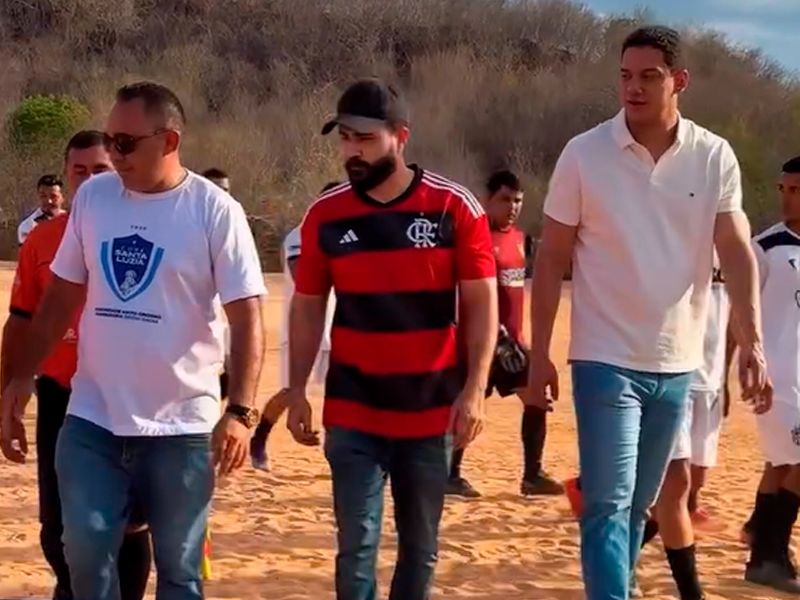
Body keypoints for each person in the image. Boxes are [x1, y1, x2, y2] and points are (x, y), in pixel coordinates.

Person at [527, 26, 769, 600]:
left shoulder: (713, 155)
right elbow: (552, 257)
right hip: (604, 358)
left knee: (641, 504)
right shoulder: (584, 153)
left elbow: (736, 250)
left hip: (677, 362)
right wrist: (539, 354)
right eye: (625, 76)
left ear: (679, 81)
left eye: (649, 76)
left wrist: (752, 340)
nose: (633, 88)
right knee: (608, 502)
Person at [0, 81, 267, 600]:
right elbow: (59, 298)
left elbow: (248, 316)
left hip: (182, 428)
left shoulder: (215, 212)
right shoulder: (94, 199)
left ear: (169, 141)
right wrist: (20, 377)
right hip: (92, 419)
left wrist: (240, 411)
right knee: (82, 553)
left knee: (180, 572)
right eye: (110, 140)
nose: (114, 154)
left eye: (125, 143)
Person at [286, 78, 498, 600]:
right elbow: (307, 306)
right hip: (353, 410)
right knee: (355, 549)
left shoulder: (453, 207)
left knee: (419, 549)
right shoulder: (325, 215)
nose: (351, 151)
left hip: (429, 411)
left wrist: (474, 389)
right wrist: (296, 389)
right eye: (345, 139)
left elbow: (480, 304)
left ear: (400, 137)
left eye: (364, 138)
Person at [0, 130, 152, 600]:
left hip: (128, 395)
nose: (89, 181)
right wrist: (9, 390)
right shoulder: (42, 239)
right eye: (79, 171)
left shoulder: (147, 229)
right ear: (66, 176)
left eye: (100, 170)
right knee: (57, 529)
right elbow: (21, 319)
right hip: (61, 397)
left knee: (129, 525)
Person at [446, 169, 563, 498]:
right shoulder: (472, 237)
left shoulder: (520, 239)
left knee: (536, 396)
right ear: (487, 200)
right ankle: (449, 475)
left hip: (512, 344)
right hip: (479, 343)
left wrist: (521, 340)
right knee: (466, 403)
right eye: (505, 200)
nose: (512, 207)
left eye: (517, 201)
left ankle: (533, 476)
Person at [734, 155, 800, 593]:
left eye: (796, 190)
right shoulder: (765, 247)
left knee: (780, 464)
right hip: (776, 378)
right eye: (783, 189)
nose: (786, 198)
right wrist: (737, 362)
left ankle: (763, 544)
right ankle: (769, 554)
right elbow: (739, 311)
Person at [651, 253, 730, 600]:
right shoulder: (676, 239)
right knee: (676, 484)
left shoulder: (729, 245)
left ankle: (620, 553)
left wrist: (726, 375)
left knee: (691, 483)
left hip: (710, 379)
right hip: (675, 373)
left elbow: (732, 316)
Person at [249, 181, 341, 471]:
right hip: (300, 329)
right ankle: (259, 438)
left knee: (342, 391)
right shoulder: (300, 234)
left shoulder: (347, 236)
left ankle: (338, 451)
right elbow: (303, 275)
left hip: (335, 329)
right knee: (290, 392)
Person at [18, 174, 67, 245]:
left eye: (53, 196)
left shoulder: (72, 222)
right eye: (43, 196)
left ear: (62, 197)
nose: (49, 201)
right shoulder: (27, 227)